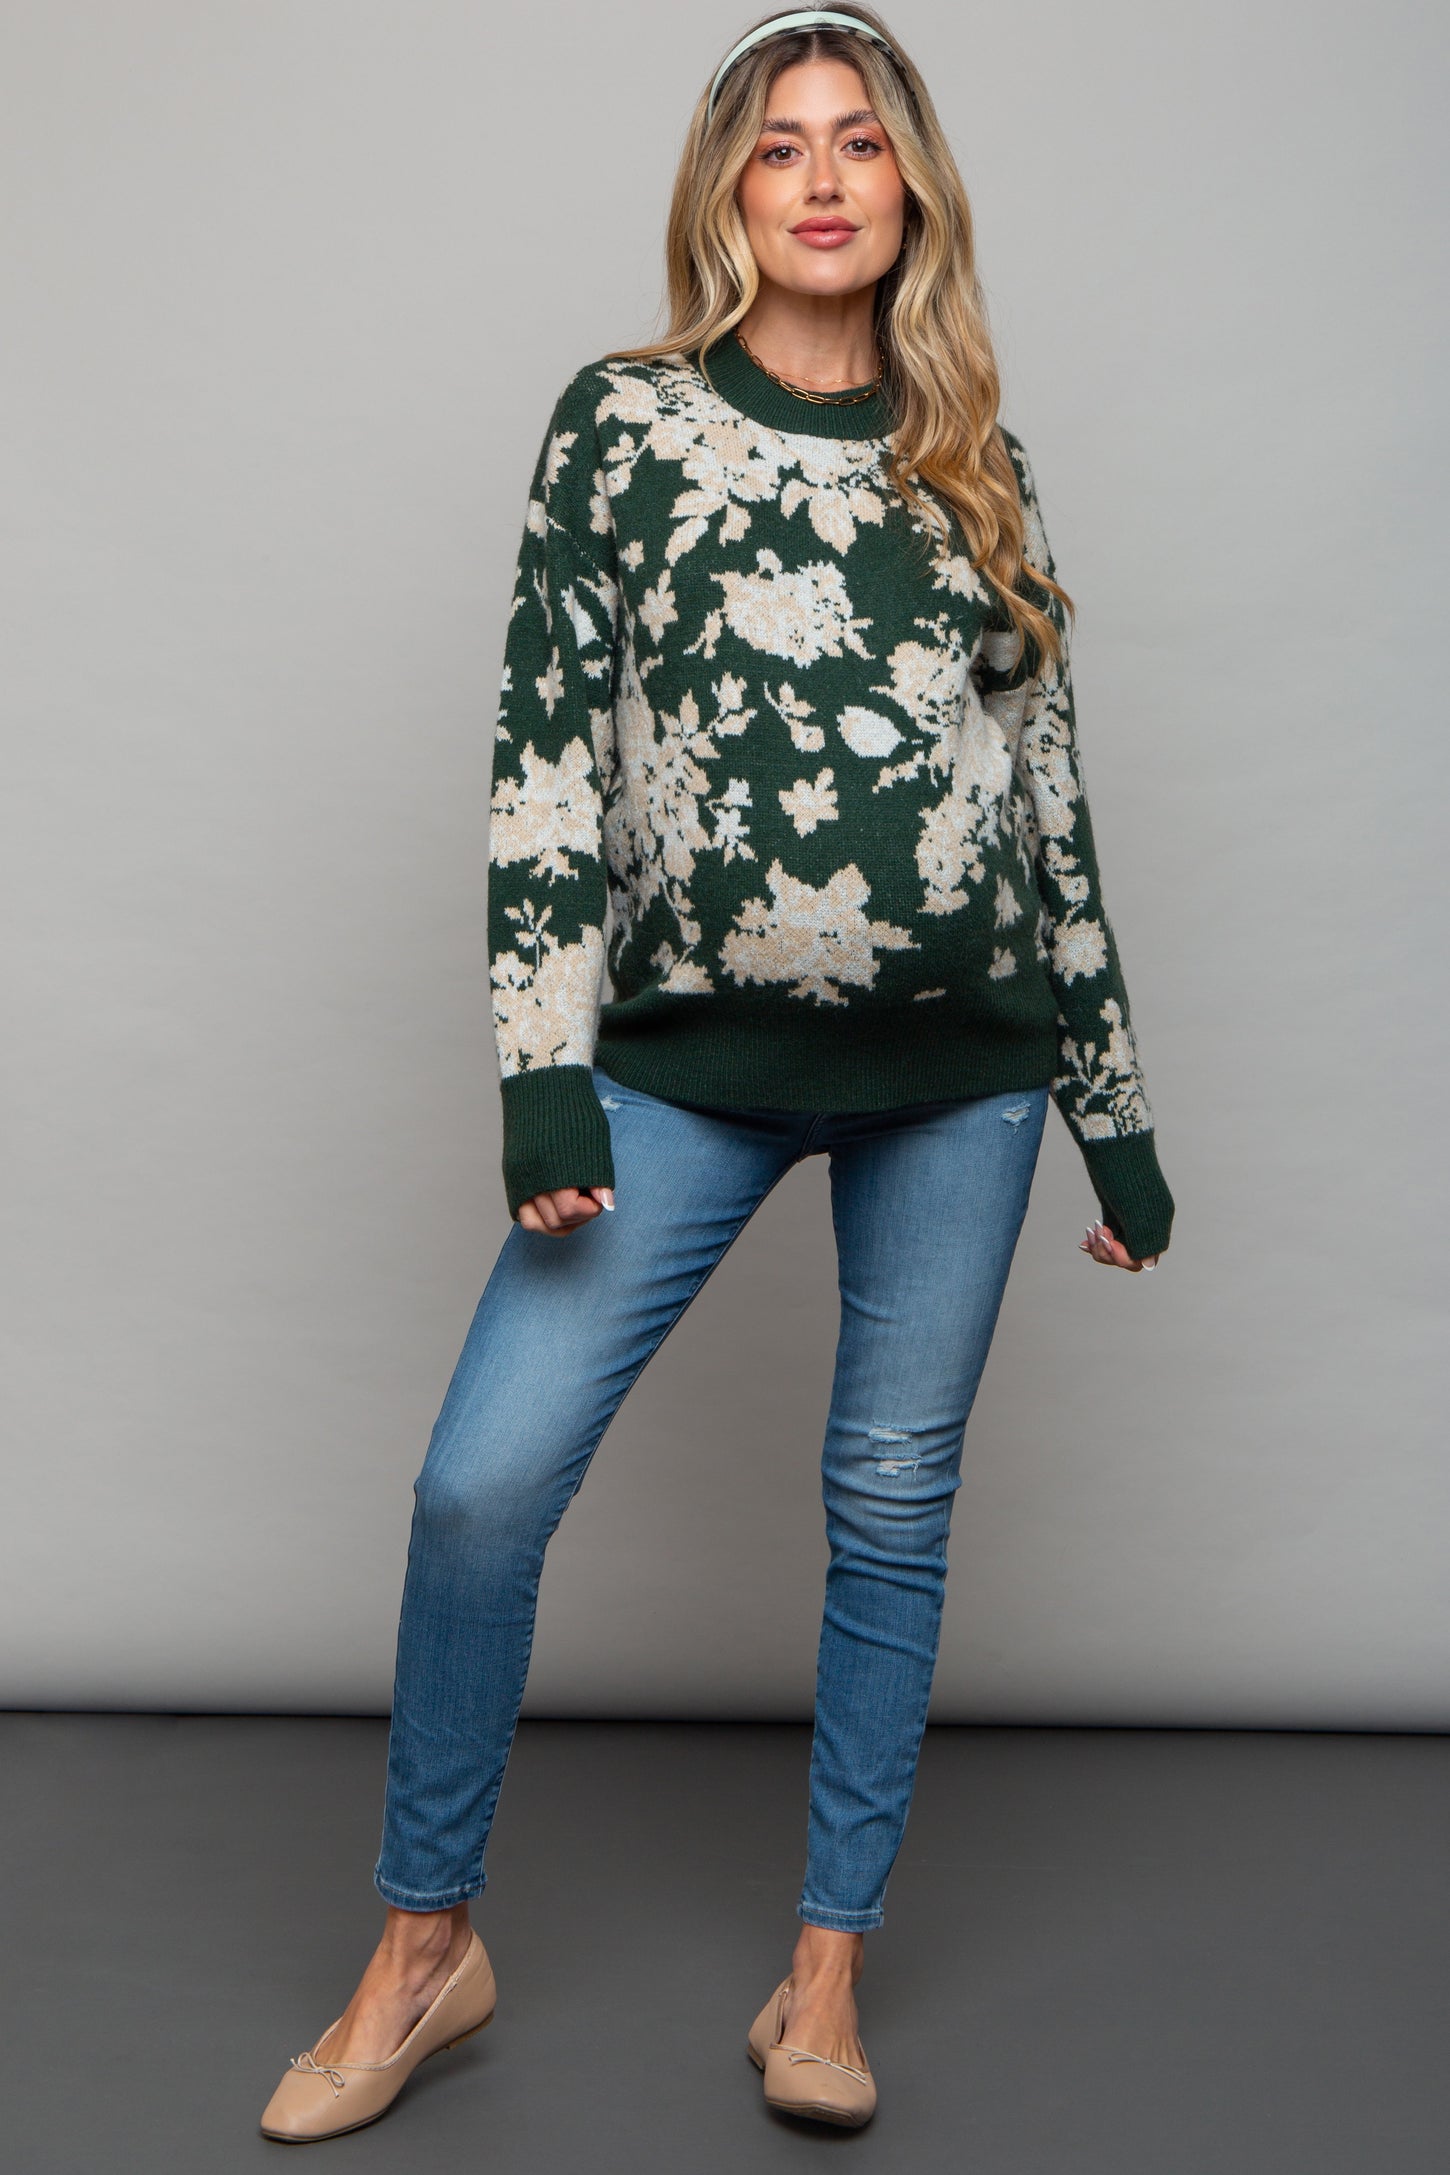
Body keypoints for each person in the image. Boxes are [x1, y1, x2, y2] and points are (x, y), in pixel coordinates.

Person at [260, 3, 1175, 2141]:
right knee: (482, 1482)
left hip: (958, 1074)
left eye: (860, 141)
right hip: (677, 1066)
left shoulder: (976, 459)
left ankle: (823, 1972)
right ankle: (424, 1948)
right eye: (780, 145)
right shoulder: (623, 425)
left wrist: (1112, 1112)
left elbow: (1044, 800)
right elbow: (543, 760)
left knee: (889, 1503)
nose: (823, 177)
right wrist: (541, 1070)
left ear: (912, 187)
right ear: (726, 191)